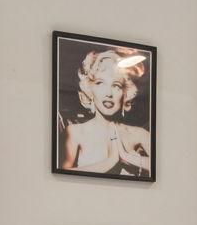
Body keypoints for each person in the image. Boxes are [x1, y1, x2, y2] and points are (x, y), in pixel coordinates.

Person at [60, 47, 152, 176]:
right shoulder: (75, 132)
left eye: (116, 86)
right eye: (100, 83)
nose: (108, 93)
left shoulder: (140, 134)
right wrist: (111, 161)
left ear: (125, 94)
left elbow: (165, 168)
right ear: (89, 89)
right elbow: (61, 174)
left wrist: (127, 157)